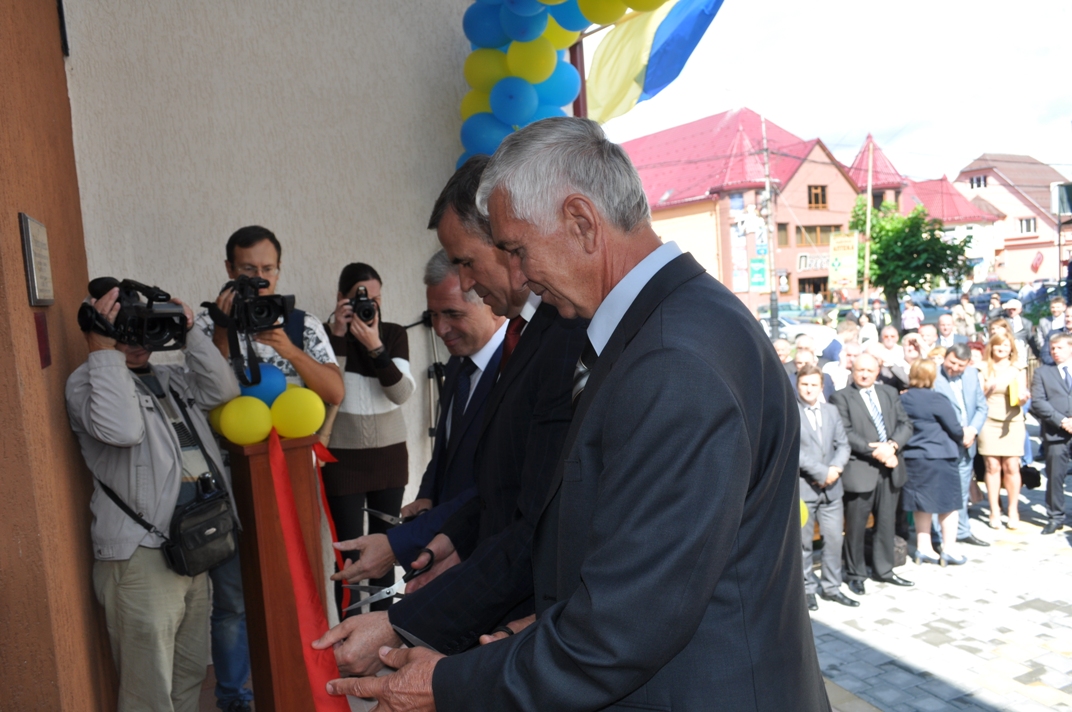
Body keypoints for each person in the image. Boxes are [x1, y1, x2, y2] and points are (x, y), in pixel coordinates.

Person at [328, 117, 829, 710]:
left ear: (582, 223)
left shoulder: (672, 359)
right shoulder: (665, 325)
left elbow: (622, 628)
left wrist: (447, 683)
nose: (518, 277)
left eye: (518, 251)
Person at [315, 154, 585, 668]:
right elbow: (496, 484)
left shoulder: (563, 335)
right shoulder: (509, 347)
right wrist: (446, 539)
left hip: (524, 614)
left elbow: (536, 516)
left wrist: (401, 624)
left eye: (466, 262)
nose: (465, 279)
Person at [66, 283, 241, 711]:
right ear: (101, 330)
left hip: (192, 544)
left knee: (187, 676)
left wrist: (190, 331)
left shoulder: (169, 378)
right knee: (149, 693)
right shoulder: (87, 382)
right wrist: (103, 351)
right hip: (143, 555)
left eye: (142, 328)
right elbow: (123, 430)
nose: (136, 341)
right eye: (123, 330)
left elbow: (224, 391)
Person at [194, 225, 343, 711]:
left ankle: (306, 681)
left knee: (300, 582)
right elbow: (198, 392)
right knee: (233, 599)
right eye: (247, 271)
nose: (259, 282)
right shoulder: (206, 324)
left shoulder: (300, 323)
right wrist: (223, 330)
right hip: (228, 482)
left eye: (267, 271)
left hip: (293, 479)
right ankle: (235, 697)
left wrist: (287, 348)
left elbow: (334, 392)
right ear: (228, 270)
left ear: (279, 270)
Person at [330, 251, 507, 588]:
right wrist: (427, 495)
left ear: (490, 301)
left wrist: (401, 542)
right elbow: (445, 447)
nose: (439, 329)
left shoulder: (515, 368)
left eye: (452, 314)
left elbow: (495, 481)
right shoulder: (459, 361)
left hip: (490, 553)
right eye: (433, 315)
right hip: (447, 540)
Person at [322, 263, 416, 615]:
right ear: (340, 298)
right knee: (347, 556)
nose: (370, 306)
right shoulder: (324, 336)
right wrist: (337, 335)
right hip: (342, 460)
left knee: (385, 552)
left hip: (389, 459)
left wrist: (375, 346)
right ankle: (349, 635)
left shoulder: (392, 334)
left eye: (375, 299)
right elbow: (328, 393)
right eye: (361, 298)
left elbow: (401, 393)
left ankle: (380, 631)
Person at [830, 352, 915, 595]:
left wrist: (893, 447)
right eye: (860, 370)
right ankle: (855, 574)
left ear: (877, 372)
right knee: (856, 527)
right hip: (861, 470)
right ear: (852, 371)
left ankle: (884, 569)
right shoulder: (841, 397)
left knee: (887, 523)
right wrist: (878, 451)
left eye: (869, 370)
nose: (865, 375)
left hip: (890, 468)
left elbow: (905, 424)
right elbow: (845, 432)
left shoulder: (889, 393)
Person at [796, 364, 856, 611]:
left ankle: (832, 587)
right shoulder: (791, 412)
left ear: (822, 387)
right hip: (804, 489)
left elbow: (843, 444)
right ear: (797, 385)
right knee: (803, 544)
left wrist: (835, 469)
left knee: (833, 540)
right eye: (804, 384)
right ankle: (807, 589)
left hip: (832, 489)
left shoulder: (831, 411)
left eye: (814, 385)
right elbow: (794, 450)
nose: (809, 389)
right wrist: (822, 473)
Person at [900, 360, 968, 566]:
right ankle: (949, 549)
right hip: (940, 457)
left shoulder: (902, 399)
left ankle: (923, 548)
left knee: (921, 504)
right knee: (948, 505)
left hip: (913, 457)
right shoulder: (937, 399)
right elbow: (955, 429)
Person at [933, 344, 990, 548]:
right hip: (943, 444)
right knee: (939, 490)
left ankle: (963, 530)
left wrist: (972, 430)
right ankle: (938, 535)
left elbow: (982, 407)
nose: (955, 368)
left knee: (962, 490)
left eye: (960, 365)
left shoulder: (972, 375)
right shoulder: (933, 376)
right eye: (952, 362)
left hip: (967, 444)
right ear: (945, 357)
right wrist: (958, 432)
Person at [977, 333, 1027, 530]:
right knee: (992, 466)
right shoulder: (982, 367)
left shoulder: (1018, 368)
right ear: (992, 347)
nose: (1002, 348)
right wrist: (989, 389)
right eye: (998, 345)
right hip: (988, 420)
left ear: (1011, 348)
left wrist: (1023, 399)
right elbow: (977, 396)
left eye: (1006, 345)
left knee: (1012, 466)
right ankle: (994, 510)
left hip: (1012, 421)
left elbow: (1021, 394)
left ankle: (1013, 510)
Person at [1030, 332, 1072, 535]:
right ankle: (1055, 516)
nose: (1055, 351)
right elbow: (1038, 402)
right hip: (1056, 432)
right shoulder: (1043, 373)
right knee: (1055, 476)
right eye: (1052, 348)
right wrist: (1062, 421)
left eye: (1060, 347)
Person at [1037, 296, 1067, 366]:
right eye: (1053, 307)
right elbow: (1039, 339)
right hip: (1049, 355)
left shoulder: (1068, 320)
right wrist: (1047, 351)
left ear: (1064, 307)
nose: (1055, 309)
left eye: (1058, 307)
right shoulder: (1043, 321)